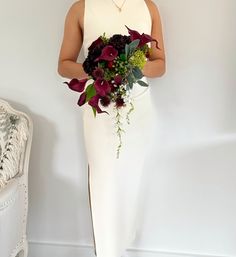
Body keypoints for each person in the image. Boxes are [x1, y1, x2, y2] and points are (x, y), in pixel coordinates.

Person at [57, 1, 166, 257]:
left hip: (138, 111)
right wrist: (96, 70)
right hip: (101, 111)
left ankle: (123, 246)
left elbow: (160, 64)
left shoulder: (148, 6)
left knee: (131, 182)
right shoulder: (80, 8)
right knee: (103, 183)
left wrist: (132, 67)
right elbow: (63, 64)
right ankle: (105, 251)